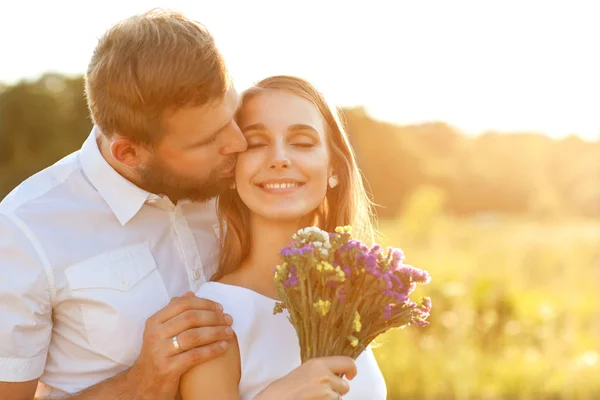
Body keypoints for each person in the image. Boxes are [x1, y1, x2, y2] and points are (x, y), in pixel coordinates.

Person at [0, 9, 358, 400]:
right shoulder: (26, 231)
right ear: (130, 153)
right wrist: (140, 382)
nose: (238, 144)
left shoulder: (233, 181)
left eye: (232, 115)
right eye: (210, 139)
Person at [179, 76, 388, 399]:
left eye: (303, 143)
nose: (279, 158)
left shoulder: (349, 301)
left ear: (334, 168)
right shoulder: (215, 317)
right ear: (232, 169)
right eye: (256, 143)